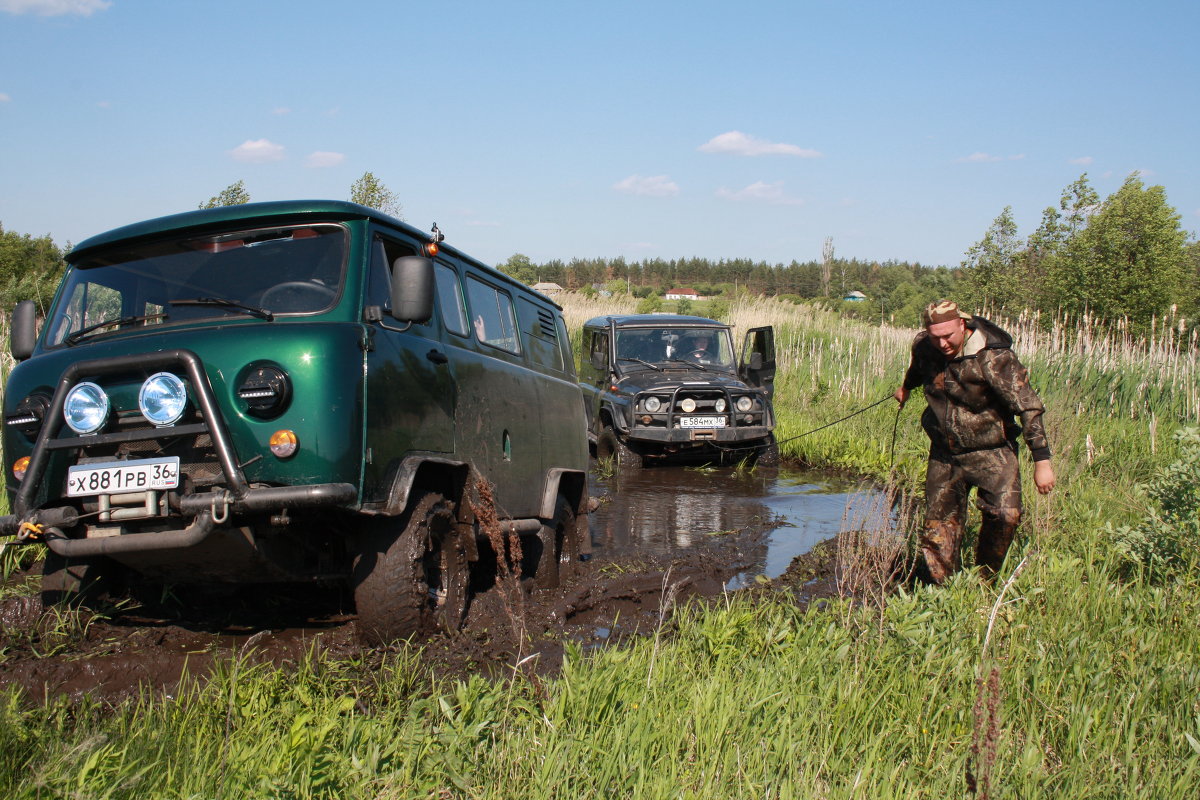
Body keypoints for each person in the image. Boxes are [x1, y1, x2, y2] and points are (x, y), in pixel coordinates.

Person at [894, 300, 1056, 583]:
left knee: (1006, 516)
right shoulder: (924, 346)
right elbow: (919, 368)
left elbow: (1028, 407)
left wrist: (1042, 461)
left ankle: (985, 579)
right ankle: (944, 590)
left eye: (948, 336)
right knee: (938, 527)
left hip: (992, 452)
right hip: (945, 453)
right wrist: (906, 388)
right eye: (936, 337)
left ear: (962, 324)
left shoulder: (993, 358)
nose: (943, 343)